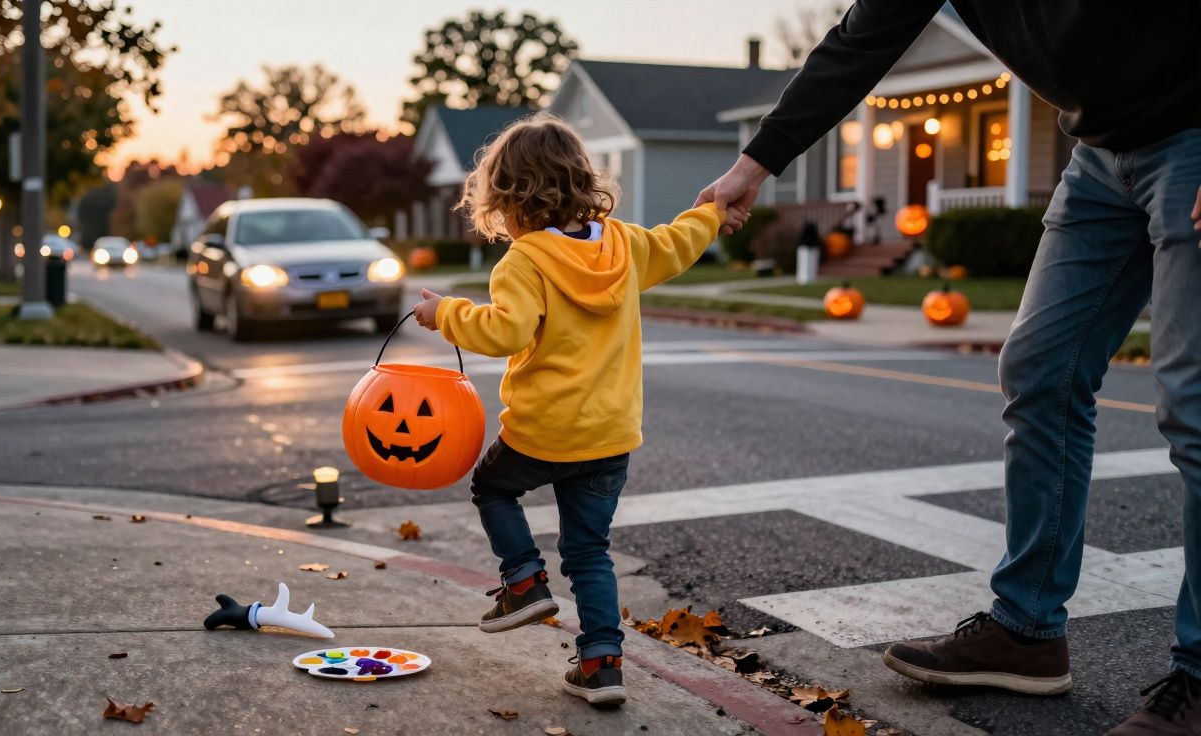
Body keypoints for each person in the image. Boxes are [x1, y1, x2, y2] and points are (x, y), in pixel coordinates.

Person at [697, 2, 1199, 732]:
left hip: (1192, 136)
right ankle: (1027, 630)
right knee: (1039, 373)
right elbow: (860, 42)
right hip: (1099, 155)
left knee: (1192, 402)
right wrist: (757, 163)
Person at [413, 113, 741, 706]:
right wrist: (713, 212)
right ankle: (601, 665)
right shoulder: (625, 245)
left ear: (508, 196)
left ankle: (523, 579)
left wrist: (445, 316)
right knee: (589, 550)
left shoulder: (525, 260)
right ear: (580, 181)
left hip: (542, 433)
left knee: (491, 488)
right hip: (610, 438)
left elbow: (506, 331)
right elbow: (678, 241)